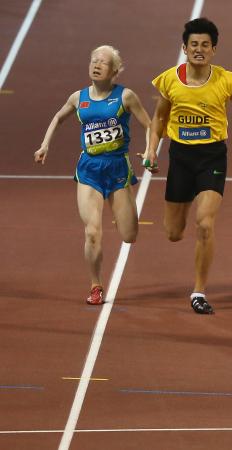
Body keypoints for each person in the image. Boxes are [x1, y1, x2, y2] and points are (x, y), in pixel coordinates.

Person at [141, 17, 232, 314]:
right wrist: (151, 150)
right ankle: (187, 198)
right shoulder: (169, 80)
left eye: (205, 45)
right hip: (180, 158)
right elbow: (159, 119)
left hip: (212, 158)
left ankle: (199, 292)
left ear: (214, 49)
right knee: (174, 232)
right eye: (194, 45)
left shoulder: (226, 81)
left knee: (204, 224)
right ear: (184, 48)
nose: (199, 49)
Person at [34, 45, 152, 305]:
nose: (96, 65)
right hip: (89, 170)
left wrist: (148, 151)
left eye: (103, 62)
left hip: (118, 168)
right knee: (91, 231)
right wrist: (45, 144)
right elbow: (58, 117)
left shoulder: (126, 97)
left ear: (115, 71)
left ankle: (119, 210)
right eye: (93, 60)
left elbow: (149, 125)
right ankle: (95, 285)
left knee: (129, 235)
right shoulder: (79, 98)